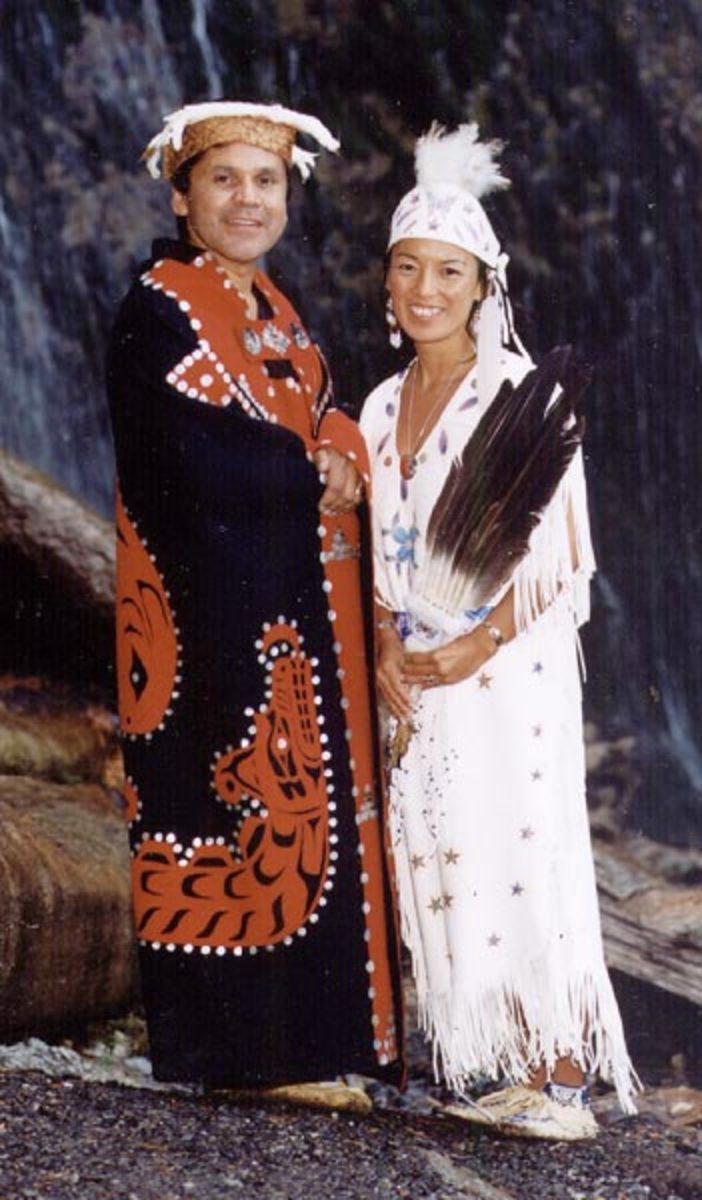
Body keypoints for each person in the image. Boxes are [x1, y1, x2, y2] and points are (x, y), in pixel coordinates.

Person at [107, 101, 403, 1092]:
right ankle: (253, 1060)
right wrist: (307, 468)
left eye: (265, 181)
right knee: (243, 818)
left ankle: (324, 1049)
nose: (247, 199)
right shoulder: (160, 308)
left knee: (309, 819)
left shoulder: (275, 307)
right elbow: (187, 454)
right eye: (224, 179)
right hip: (213, 617)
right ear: (182, 196)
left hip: (292, 605)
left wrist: (342, 442)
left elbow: (322, 412)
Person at [360, 123, 637, 1139]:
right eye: (408, 267)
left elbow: (567, 562)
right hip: (419, 670)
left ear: (485, 285)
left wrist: (473, 646)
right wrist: (388, 645)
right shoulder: (380, 406)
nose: (425, 288)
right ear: (386, 283)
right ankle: (493, 1063)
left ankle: (560, 1077)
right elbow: (380, 555)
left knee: (522, 847)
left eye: (448, 271)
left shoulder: (520, 396)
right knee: (447, 852)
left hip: (507, 668)